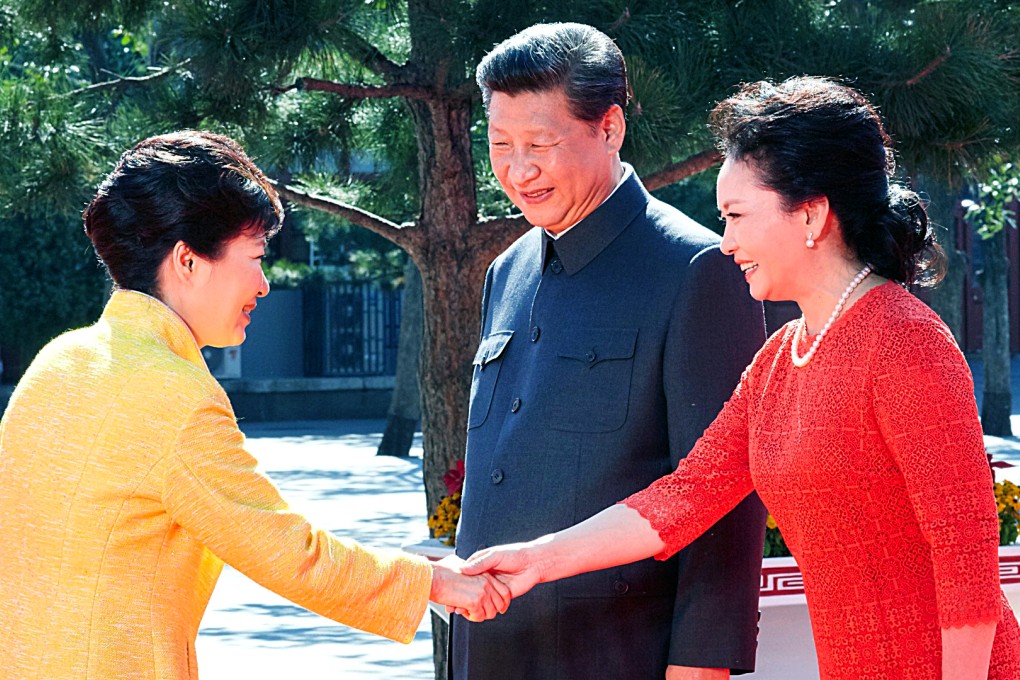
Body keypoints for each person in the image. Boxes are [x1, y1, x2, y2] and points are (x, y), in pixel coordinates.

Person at [461, 76, 1020, 679]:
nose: (725, 243)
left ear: (811, 215)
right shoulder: (783, 356)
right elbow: (681, 499)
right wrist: (540, 560)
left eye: (736, 216)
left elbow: (967, 566)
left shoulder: (906, 342)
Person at [0, 130, 509, 679]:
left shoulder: (59, 360)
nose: (264, 284)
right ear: (188, 262)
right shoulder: (175, 396)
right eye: (255, 257)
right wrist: (432, 581)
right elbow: (288, 552)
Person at [454, 22, 768, 680]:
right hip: (489, 653)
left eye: (540, 143)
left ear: (611, 128)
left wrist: (700, 667)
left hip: (617, 656)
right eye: (501, 145)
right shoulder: (506, 273)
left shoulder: (695, 269)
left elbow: (723, 496)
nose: (518, 169)